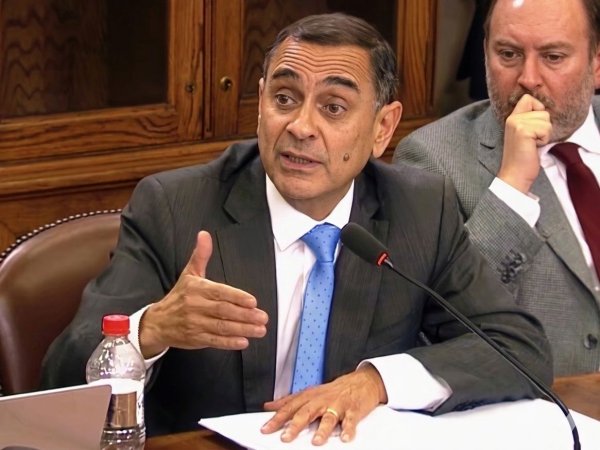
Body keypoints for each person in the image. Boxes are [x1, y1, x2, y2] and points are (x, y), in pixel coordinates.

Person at [41, 13, 552, 445]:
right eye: (284, 99)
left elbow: (518, 348)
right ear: (261, 103)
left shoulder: (419, 209)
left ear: (382, 128)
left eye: (333, 108)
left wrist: (375, 381)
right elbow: (60, 381)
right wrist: (150, 329)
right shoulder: (176, 207)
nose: (301, 127)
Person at [394, 0, 600, 376]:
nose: (528, 78)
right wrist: (511, 188)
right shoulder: (432, 159)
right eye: (508, 54)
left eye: (553, 57)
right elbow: (434, 326)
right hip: (541, 404)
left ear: (596, 62)